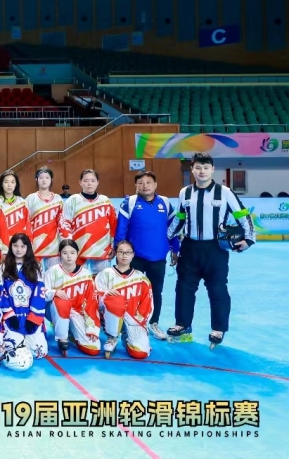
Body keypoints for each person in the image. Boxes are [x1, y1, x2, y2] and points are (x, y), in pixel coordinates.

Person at [166, 152, 255, 349]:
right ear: (192, 170)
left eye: (206, 168)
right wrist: (167, 237)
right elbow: (179, 218)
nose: (202, 171)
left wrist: (249, 238)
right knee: (184, 287)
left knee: (217, 289)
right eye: (198, 167)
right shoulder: (184, 192)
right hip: (190, 247)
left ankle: (218, 328)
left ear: (212, 169)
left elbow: (242, 214)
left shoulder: (225, 192)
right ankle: (182, 325)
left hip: (215, 249)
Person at [113, 170, 180, 341]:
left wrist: (175, 249)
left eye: (148, 182)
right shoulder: (129, 203)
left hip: (158, 257)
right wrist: (118, 250)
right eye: (140, 183)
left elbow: (173, 228)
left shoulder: (165, 203)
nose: (145, 186)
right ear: (136, 186)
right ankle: (128, 324)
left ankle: (153, 322)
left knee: (156, 291)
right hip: (135, 257)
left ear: (155, 185)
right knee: (130, 291)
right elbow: (121, 228)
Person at [95, 240, 153, 359]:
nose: (124, 255)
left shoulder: (141, 278)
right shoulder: (105, 274)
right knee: (115, 299)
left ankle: (127, 337)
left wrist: (138, 323)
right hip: (109, 318)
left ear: (133, 255)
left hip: (132, 319)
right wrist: (106, 295)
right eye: (121, 252)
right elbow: (94, 297)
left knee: (140, 353)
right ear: (116, 253)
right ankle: (112, 336)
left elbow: (147, 304)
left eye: (128, 252)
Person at [43, 239, 101, 357]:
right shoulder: (51, 272)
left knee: (93, 349)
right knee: (62, 301)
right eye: (65, 253)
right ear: (60, 254)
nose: (69, 256)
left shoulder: (85, 274)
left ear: (77, 254)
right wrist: (54, 292)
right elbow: (42, 294)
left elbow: (91, 301)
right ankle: (62, 338)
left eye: (72, 253)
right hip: (55, 310)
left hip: (78, 313)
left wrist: (92, 327)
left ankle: (72, 332)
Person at [61, 169, 118, 275]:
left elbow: (114, 225)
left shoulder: (105, 201)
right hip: (78, 250)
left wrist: (113, 246)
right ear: (80, 182)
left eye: (92, 180)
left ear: (97, 182)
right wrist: (68, 246)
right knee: (79, 280)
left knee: (102, 281)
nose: (89, 184)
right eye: (86, 180)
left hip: (102, 250)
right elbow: (64, 224)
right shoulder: (72, 200)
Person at [0, 233, 48, 359]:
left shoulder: (36, 267)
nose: (19, 249)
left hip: (31, 316)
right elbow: (2, 293)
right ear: (11, 247)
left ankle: (32, 336)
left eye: (22, 246)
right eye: (15, 246)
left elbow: (40, 294)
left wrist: (34, 319)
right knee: (15, 351)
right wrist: (10, 316)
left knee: (39, 352)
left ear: (28, 248)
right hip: (12, 316)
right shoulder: (4, 267)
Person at [26, 167, 66, 271]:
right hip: (35, 245)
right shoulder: (31, 198)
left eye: (47, 178)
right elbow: (26, 222)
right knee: (34, 275)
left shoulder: (58, 199)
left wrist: (64, 242)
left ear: (51, 180)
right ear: (36, 180)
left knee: (54, 275)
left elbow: (62, 223)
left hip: (53, 245)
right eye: (41, 178)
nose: (44, 180)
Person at [0, 171, 32, 249]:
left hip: (19, 246)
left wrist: (29, 244)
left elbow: (28, 225)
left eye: (12, 182)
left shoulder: (22, 202)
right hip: (0, 246)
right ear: (1, 184)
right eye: (6, 182)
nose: (9, 185)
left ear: (16, 184)